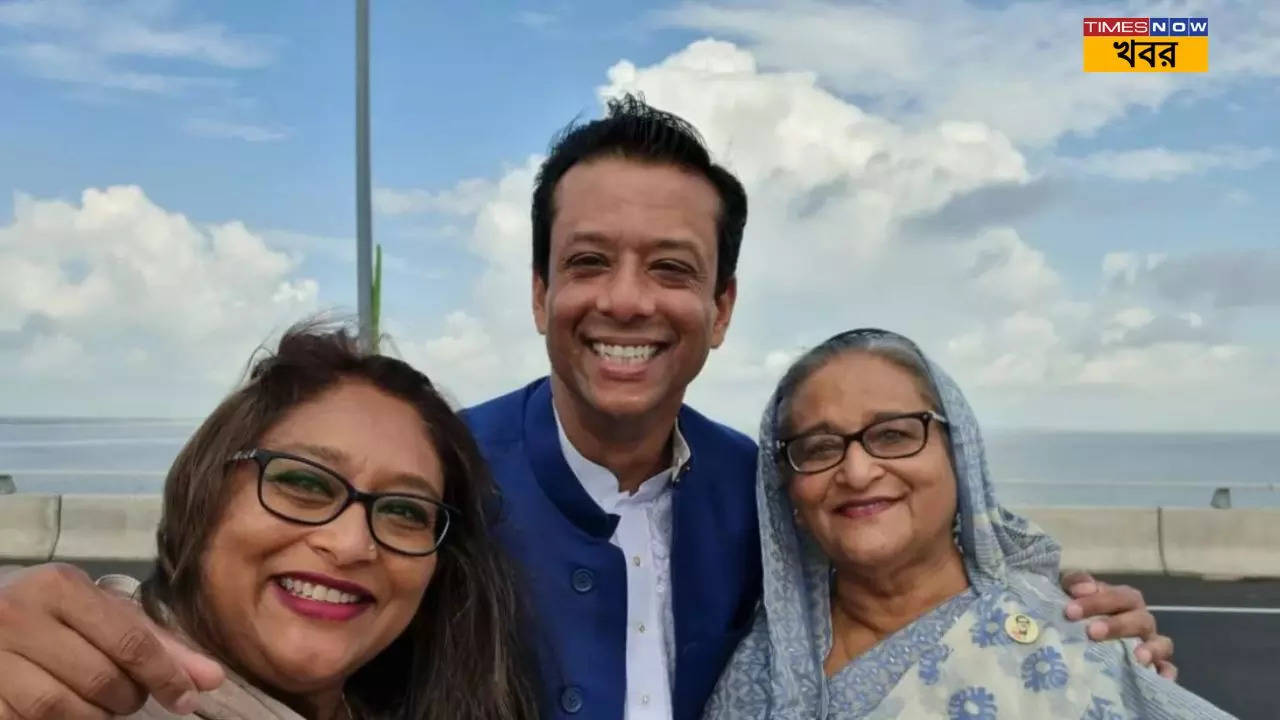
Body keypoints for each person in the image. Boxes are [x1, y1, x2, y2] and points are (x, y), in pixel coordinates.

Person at [0, 96, 1173, 720]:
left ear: (718, 309)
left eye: (669, 270)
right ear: (537, 291)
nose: (627, 302)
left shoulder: (782, 499)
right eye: (588, 261)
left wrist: (1080, 637)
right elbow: (247, 640)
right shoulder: (430, 492)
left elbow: (917, 609)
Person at [1, 322, 541, 720]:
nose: (351, 542)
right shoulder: (76, 690)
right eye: (304, 484)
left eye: (404, 511)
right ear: (204, 499)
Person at [704, 328, 1232, 719]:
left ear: (961, 457)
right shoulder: (758, 674)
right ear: (789, 493)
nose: (858, 471)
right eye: (819, 447)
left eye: (893, 434)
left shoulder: (1064, 644)